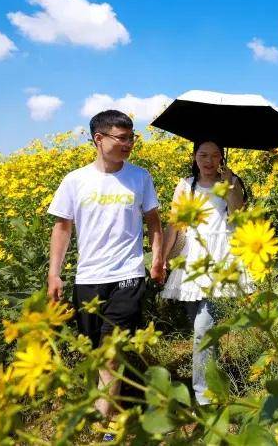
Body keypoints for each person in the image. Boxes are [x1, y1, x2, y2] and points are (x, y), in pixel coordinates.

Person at [46, 109, 166, 419]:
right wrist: (54, 274)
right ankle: (100, 408)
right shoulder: (75, 181)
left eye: (131, 138)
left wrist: (157, 259)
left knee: (111, 353)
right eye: (122, 138)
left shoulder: (140, 177)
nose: (129, 144)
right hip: (88, 278)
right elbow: (62, 229)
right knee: (95, 352)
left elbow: (154, 221)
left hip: (128, 274)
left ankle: (108, 422)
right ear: (99, 139)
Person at [160, 139, 246, 406]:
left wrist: (231, 186)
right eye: (203, 155)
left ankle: (204, 395)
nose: (209, 161)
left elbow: (239, 217)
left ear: (222, 158)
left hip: (221, 258)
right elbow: (175, 225)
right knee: (201, 327)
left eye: (215, 156)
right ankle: (212, 377)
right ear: (195, 157)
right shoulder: (186, 185)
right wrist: (162, 258)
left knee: (203, 328)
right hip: (191, 260)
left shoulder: (231, 184)